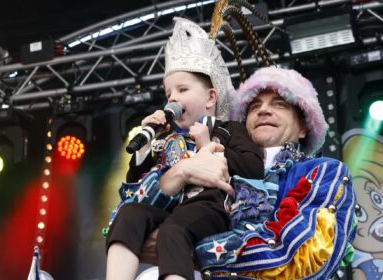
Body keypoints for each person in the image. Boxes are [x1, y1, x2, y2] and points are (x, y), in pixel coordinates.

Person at [139, 66, 357, 279]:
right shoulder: (218, 172)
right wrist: (165, 164)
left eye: (279, 104)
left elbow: (305, 255)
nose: (263, 110)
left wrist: (182, 247)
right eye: (254, 107)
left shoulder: (324, 171)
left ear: (303, 127)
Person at [105, 17, 264, 280]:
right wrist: (144, 149)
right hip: (171, 207)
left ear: (211, 97)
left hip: (211, 208)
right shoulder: (167, 137)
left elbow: (253, 167)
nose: (173, 98)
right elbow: (135, 187)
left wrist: (208, 145)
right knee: (129, 214)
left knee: (173, 230)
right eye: (168, 94)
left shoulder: (230, 129)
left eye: (182, 89)